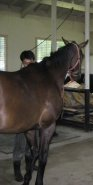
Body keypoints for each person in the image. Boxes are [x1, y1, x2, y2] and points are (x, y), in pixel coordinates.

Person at [13, 50, 36, 182]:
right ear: (22, 63)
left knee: (31, 144)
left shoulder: (36, 76)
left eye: (31, 63)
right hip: (21, 117)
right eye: (26, 63)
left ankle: (30, 166)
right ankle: (16, 170)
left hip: (34, 116)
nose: (28, 66)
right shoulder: (18, 77)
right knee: (20, 144)